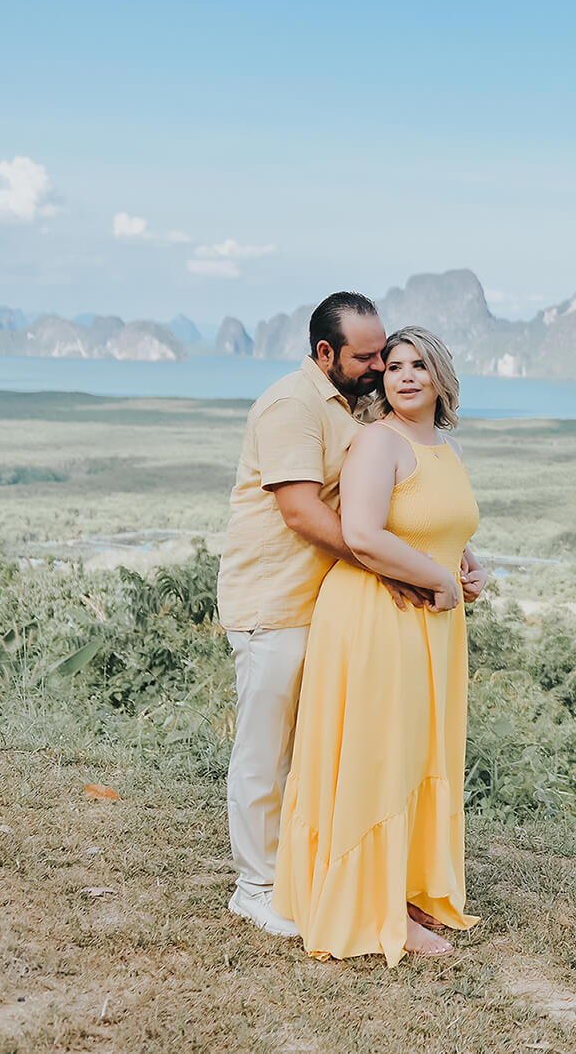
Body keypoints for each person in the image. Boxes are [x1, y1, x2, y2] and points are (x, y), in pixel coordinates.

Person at [216, 292, 454, 937]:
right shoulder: (292, 405)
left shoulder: (353, 407)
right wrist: (393, 566)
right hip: (273, 603)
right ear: (326, 354)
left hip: (327, 605)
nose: (380, 366)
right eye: (367, 356)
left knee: (315, 751)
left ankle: (300, 872)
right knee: (266, 751)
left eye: (385, 353)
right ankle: (255, 885)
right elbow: (300, 511)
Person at [273, 325, 489, 964]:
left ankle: (407, 885)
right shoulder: (378, 442)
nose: (405, 375)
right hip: (378, 615)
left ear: (441, 376)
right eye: (393, 366)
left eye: (419, 365)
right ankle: (376, 906)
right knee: (380, 753)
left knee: (420, 751)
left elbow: (439, 524)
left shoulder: (440, 447)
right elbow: (363, 534)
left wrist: (469, 569)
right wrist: (436, 581)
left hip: (430, 619)